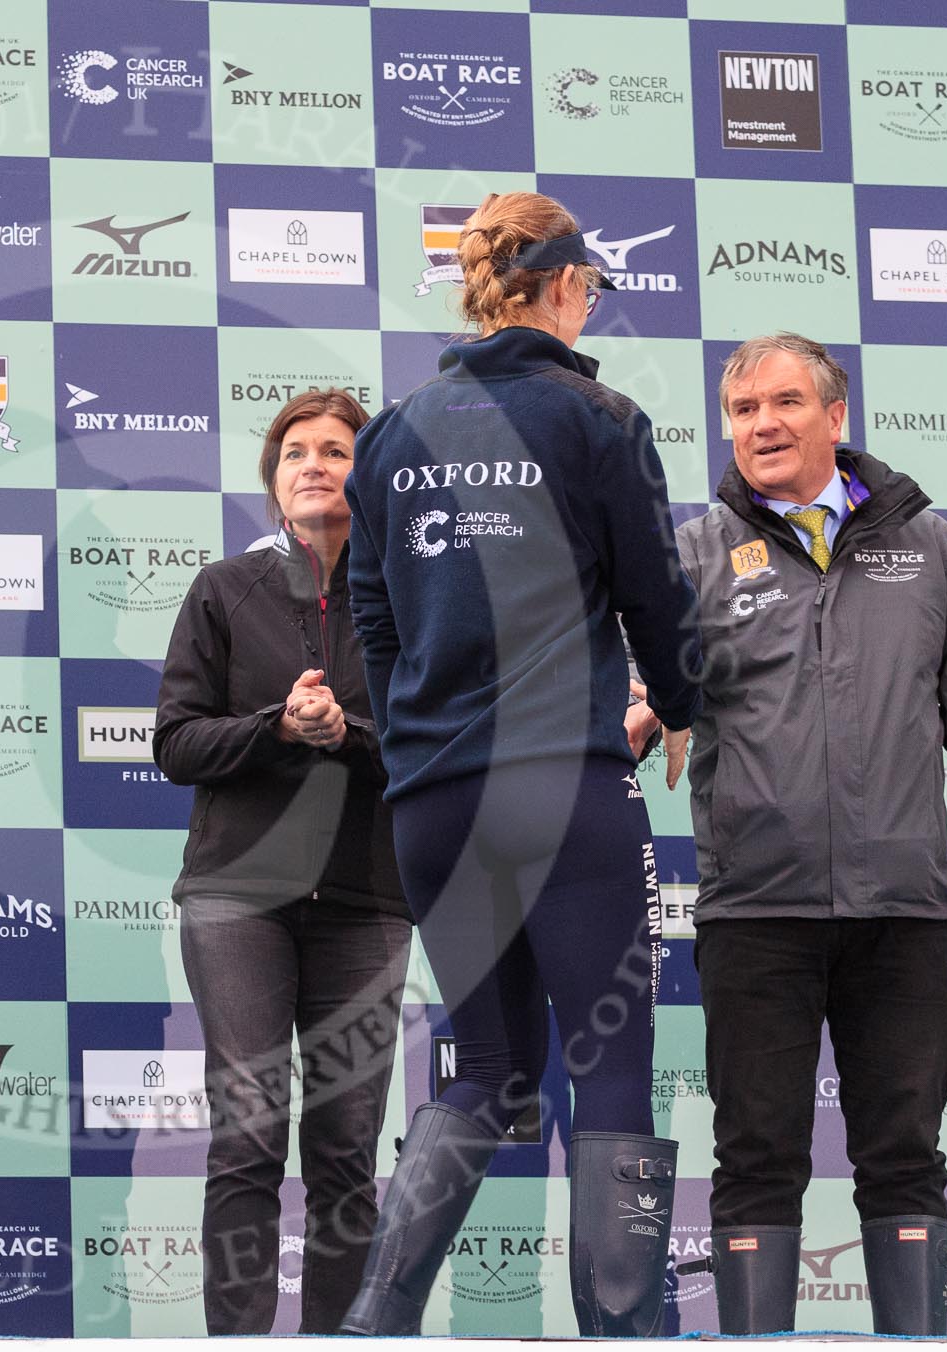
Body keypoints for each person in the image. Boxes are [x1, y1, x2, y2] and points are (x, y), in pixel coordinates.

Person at [338, 190, 701, 1337]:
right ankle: (625, 1330)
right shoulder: (600, 417)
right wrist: (683, 706)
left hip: (435, 801)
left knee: (486, 1069)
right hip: (562, 782)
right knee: (611, 1062)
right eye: (590, 288)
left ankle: (375, 1319)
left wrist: (416, 746)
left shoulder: (394, 432)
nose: (591, 306)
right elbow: (655, 598)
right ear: (561, 285)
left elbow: (373, 618)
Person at [666, 333, 947, 1337]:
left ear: (836, 417)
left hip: (903, 915)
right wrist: (636, 702)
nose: (761, 424)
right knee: (755, 1154)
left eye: (784, 402)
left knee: (905, 1153)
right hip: (758, 910)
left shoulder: (930, 548)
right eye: (743, 408)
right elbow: (639, 681)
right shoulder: (695, 552)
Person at [153, 389, 413, 1335]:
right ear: (272, 481)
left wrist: (346, 732)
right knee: (250, 1137)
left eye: (338, 450)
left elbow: (437, 747)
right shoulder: (224, 590)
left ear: (369, 475)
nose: (314, 463)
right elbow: (175, 743)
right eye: (296, 451)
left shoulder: (409, 601)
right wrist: (277, 725)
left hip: (367, 897)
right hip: (238, 900)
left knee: (346, 1146)